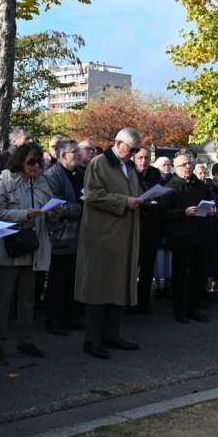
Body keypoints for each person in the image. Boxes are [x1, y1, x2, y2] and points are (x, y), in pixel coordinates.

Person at [74, 128, 144, 359]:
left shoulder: (129, 167)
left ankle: (112, 334)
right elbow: (92, 194)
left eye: (136, 150)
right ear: (118, 142)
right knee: (98, 287)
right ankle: (92, 339)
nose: (133, 154)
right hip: (102, 236)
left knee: (119, 285)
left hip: (124, 235)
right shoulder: (99, 163)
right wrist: (125, 201)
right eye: (131, 149)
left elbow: (133, 193)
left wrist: (144, 199)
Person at [0, 142, 57, 364]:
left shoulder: (42, 182)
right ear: (20, 161)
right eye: (32, 162)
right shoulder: (5, 179)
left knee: (27, 299)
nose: (37, 166)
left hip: (33, 247)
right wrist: (24, 214)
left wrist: (55, 211)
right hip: (11, 245)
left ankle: (25, 341)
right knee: (3, 298)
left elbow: (46, 215)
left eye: (39, 161)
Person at [163, 153, 217, 323]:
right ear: (175, 168)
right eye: (183, 165)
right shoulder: (170, 187)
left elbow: (212, 204)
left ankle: (194, 309)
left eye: (189, 163)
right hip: (179, 237)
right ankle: (179, 310)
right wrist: (183, 212)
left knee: (198, 274)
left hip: (199, 235)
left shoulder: (201, 186)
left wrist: (212, 212)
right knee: (179, 275)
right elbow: (163, 213)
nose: (187, 167)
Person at [42, 140, 85, 336]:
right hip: (60, 235)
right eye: (75, 152)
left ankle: (70, 315)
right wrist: (84, 210)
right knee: (58, 281)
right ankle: (54, 319)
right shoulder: (52, 175)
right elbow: (56, 204)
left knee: (72, 279)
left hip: (78, 236)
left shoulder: (80, 173)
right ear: (63, 155)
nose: (79, 154)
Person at [131, 147, 164, 315]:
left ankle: (144, 301)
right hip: (133, 229)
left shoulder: (154, 175)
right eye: (140, 157)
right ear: (134, 158)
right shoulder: (128, 174)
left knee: (147, 269)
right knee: (130, 269)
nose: (144, 161)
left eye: (147, 158)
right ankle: (129, 302)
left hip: (151, 228)